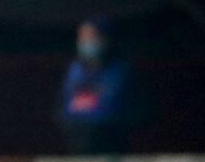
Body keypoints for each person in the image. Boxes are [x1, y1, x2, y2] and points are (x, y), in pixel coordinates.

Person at [57, 15, 142, 154]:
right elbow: (64, 107)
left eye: (91, 36)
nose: (86, 41)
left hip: (110, 142)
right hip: (75, 141)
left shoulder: (120, 71)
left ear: (105, 39)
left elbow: (114, 108)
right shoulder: (74, 70)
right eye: (82, 37)